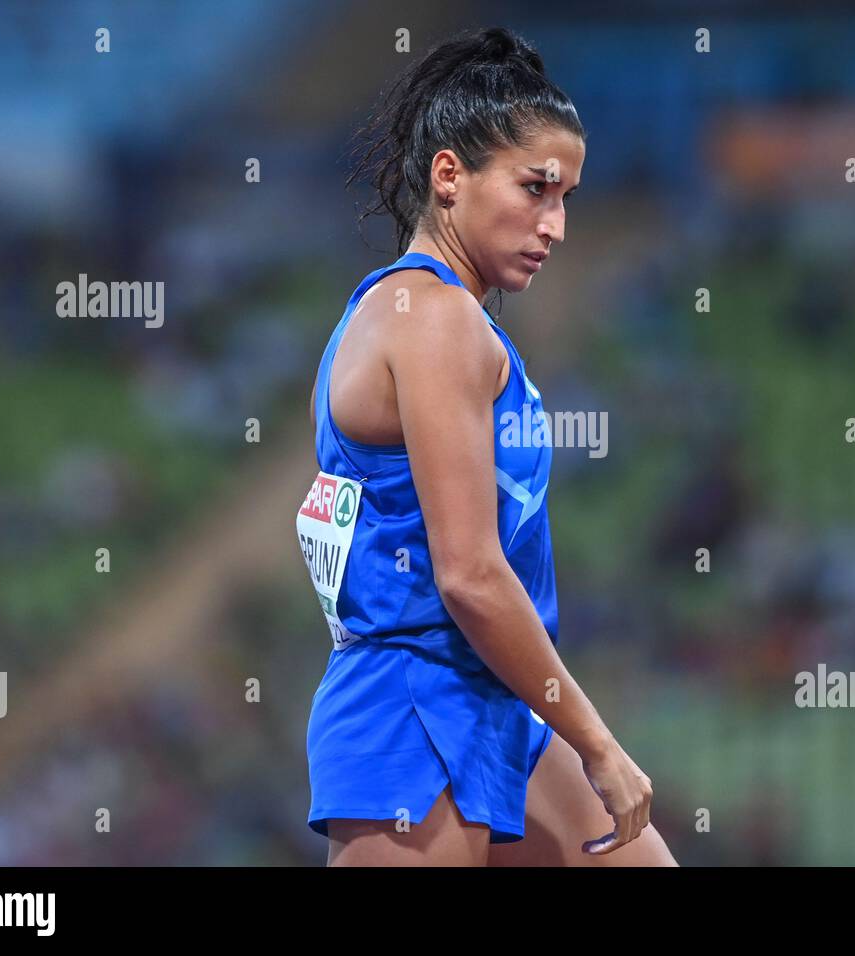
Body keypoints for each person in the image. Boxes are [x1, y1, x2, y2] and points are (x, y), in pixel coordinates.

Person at [298, 25, 676, 866]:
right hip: (414, 709)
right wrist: (599, 742)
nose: (557, 224)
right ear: (449, 176)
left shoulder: (431, 317)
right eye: (537, 188)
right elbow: (467, 572)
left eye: (568, 195)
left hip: (493, 701)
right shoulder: (433, 318)